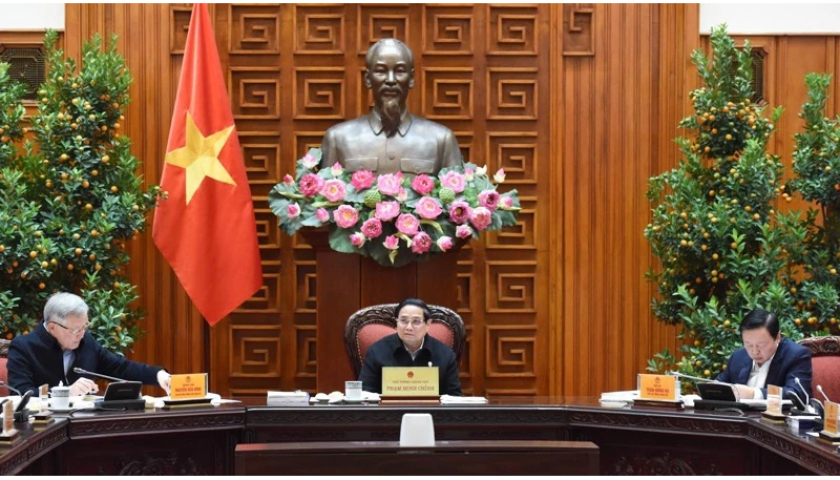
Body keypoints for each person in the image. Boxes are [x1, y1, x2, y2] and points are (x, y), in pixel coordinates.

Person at [320, 38, 463, 175]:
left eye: (399, 71)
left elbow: (457, 191)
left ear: (411, 78)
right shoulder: (338, 138)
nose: (390, 80)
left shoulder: (441, 139)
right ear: (368, 79)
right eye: (381, 71)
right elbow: (325, 190)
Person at [7, 292, 171, 396]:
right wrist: (66, 393)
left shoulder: (86, 342)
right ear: (52, 328)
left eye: (85, 327)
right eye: (75, 330)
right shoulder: (23, 347)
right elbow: (20, 393)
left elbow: (120, 368)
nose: (81, 334)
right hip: (42, 429)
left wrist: (157, 375)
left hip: (83, 425)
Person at [359, 298, 462, 396]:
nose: (409, 327)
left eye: (416, 321)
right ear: (396, 322)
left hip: (430, 409)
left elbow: (454, 398)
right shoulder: (376, 352)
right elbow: (365, 394)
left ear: (428, 324)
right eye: (403, 321)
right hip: (389, 409)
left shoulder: (445, 355)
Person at [716, 307, 812, 400]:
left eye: (761, 345)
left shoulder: (796, 355)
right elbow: (719, 387)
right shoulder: (738, 356)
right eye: (748, 344)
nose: (754, 351)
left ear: (778, 338)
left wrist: (754, 393)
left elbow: (797, 393)